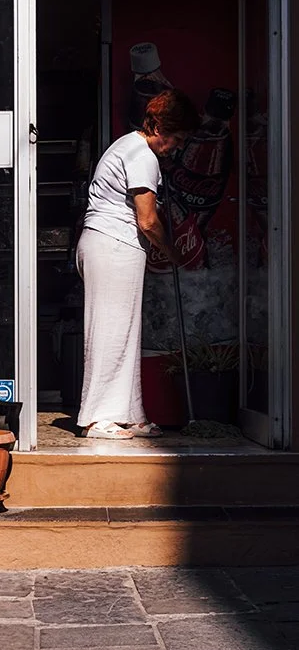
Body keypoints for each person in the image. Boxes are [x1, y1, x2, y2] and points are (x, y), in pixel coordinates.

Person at [76, 89, 200, 439]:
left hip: (111, 244)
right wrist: (172, 251)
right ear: (159, 127)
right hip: (113, 243)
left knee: (125, 331)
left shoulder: (127, 146)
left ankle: (130, 413)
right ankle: (98, 418)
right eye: (175, 138)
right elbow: (147, 220)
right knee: (110, 331)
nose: (176, 146)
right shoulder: (141, 155)